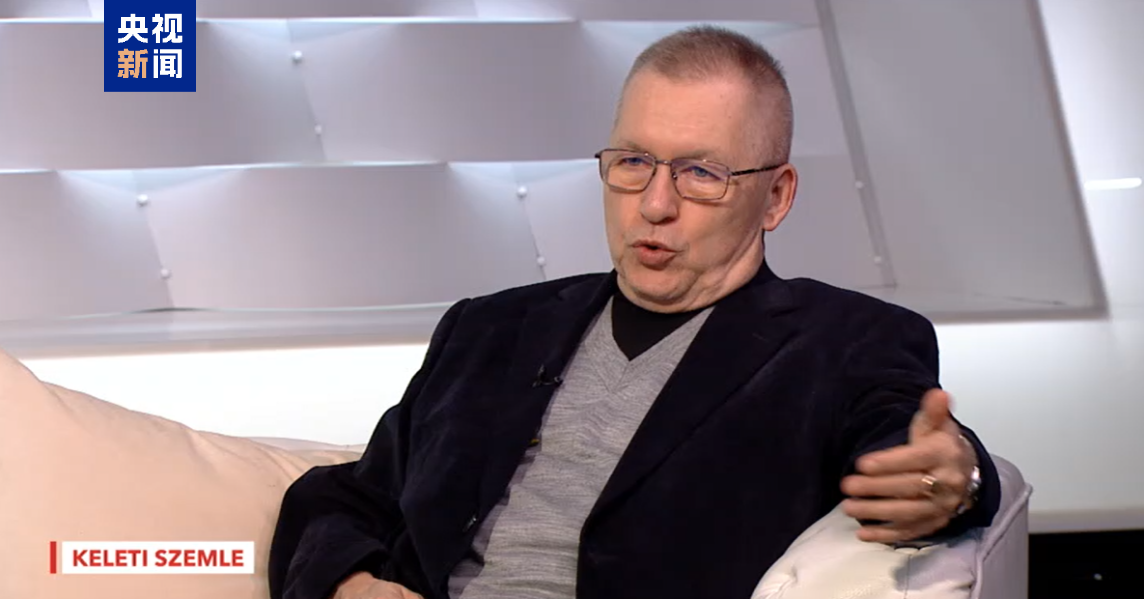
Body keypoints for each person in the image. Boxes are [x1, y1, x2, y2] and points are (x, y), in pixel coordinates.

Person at [268, 25, 1000, 599]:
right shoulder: (488, 328)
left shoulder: (843, 343)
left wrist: (955, 476)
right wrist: (351, 585)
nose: (654, 204)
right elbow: (349, 495)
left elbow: (909, 447)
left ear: (775, 197)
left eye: (700, 173)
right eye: (633, 162)